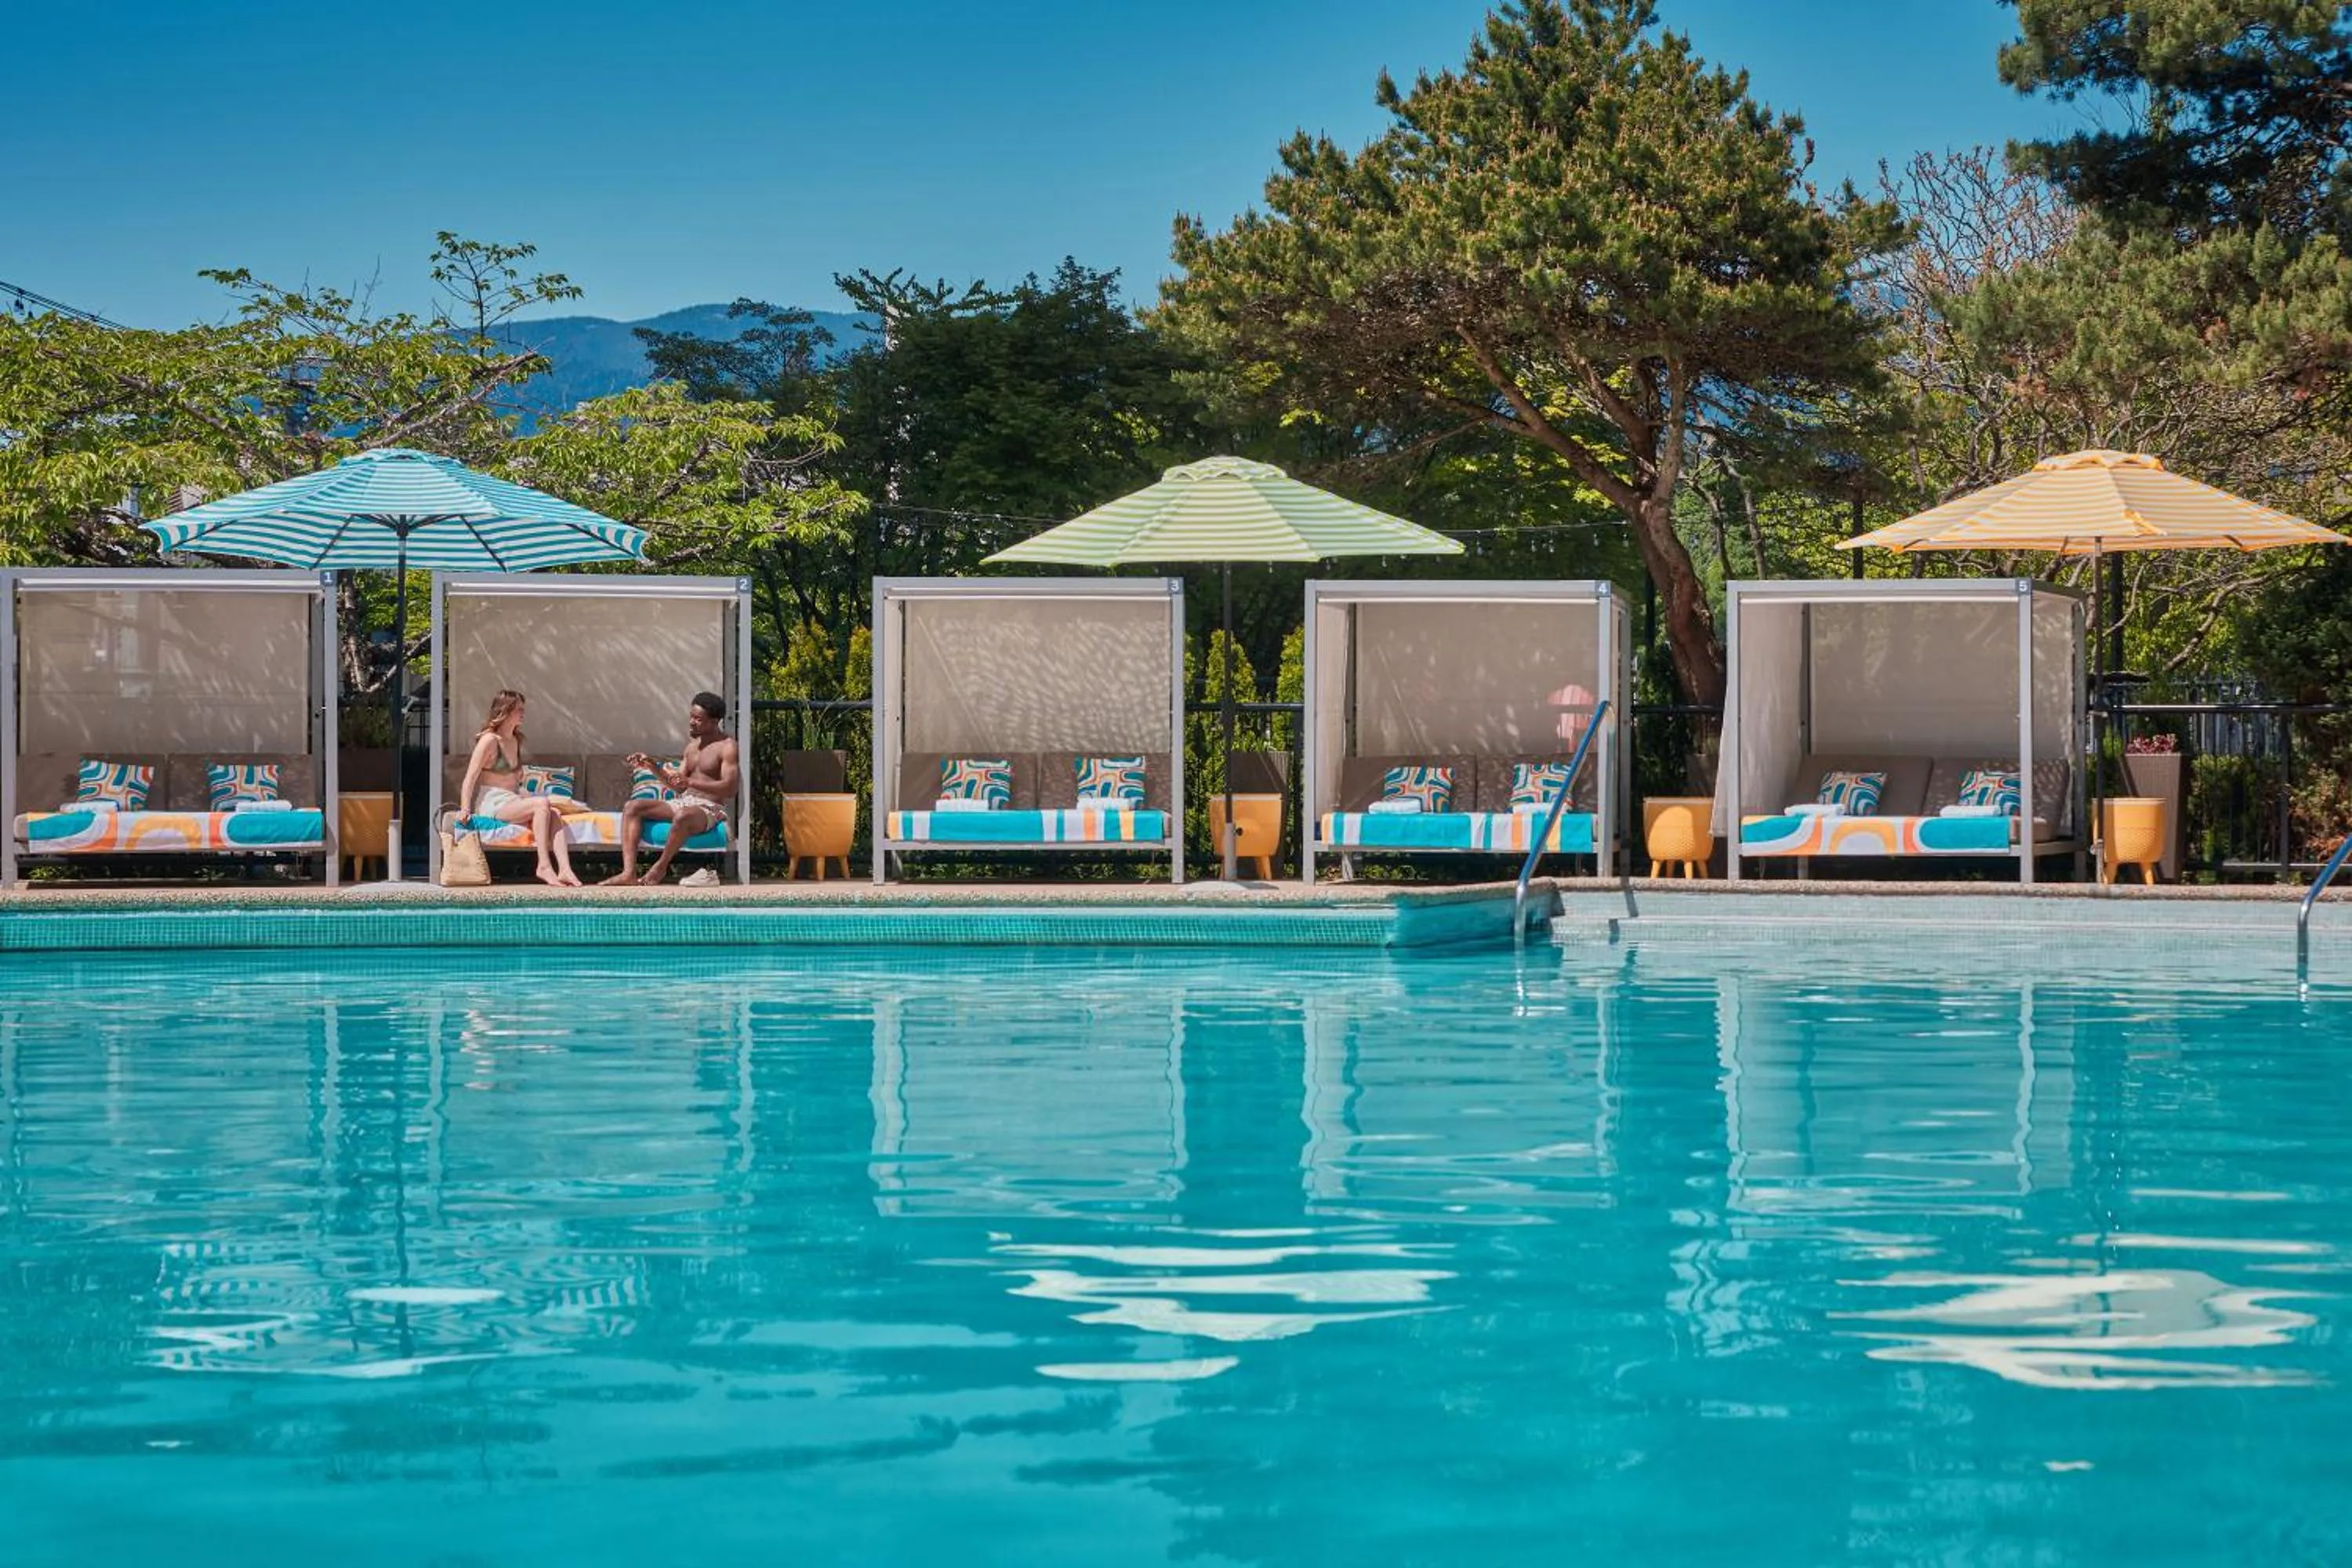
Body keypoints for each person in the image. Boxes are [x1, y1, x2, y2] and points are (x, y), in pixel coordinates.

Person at [603, 691, 739, 887]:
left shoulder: (727, 746)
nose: (692, 722)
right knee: (633, 807)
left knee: (683, 815)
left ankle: (660, 867)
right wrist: (652, 766)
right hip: (685, 802)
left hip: (710, 808)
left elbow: (730, 788)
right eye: (691, 716)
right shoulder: (691, 748)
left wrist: (690, 783)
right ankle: (628, 873)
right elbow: (677, 785)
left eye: (698, 719)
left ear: (714, 721)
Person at [458, 689, 581, 887]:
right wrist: (465, 808)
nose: (523, 713)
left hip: (511, 800)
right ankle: (543, 865)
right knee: (542, 804)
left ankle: (565, 869)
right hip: (493, 803)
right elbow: (470, 778)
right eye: (519, 710)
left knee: (555, 813)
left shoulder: (516, 740)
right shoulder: (489, 740)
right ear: (505, 711)